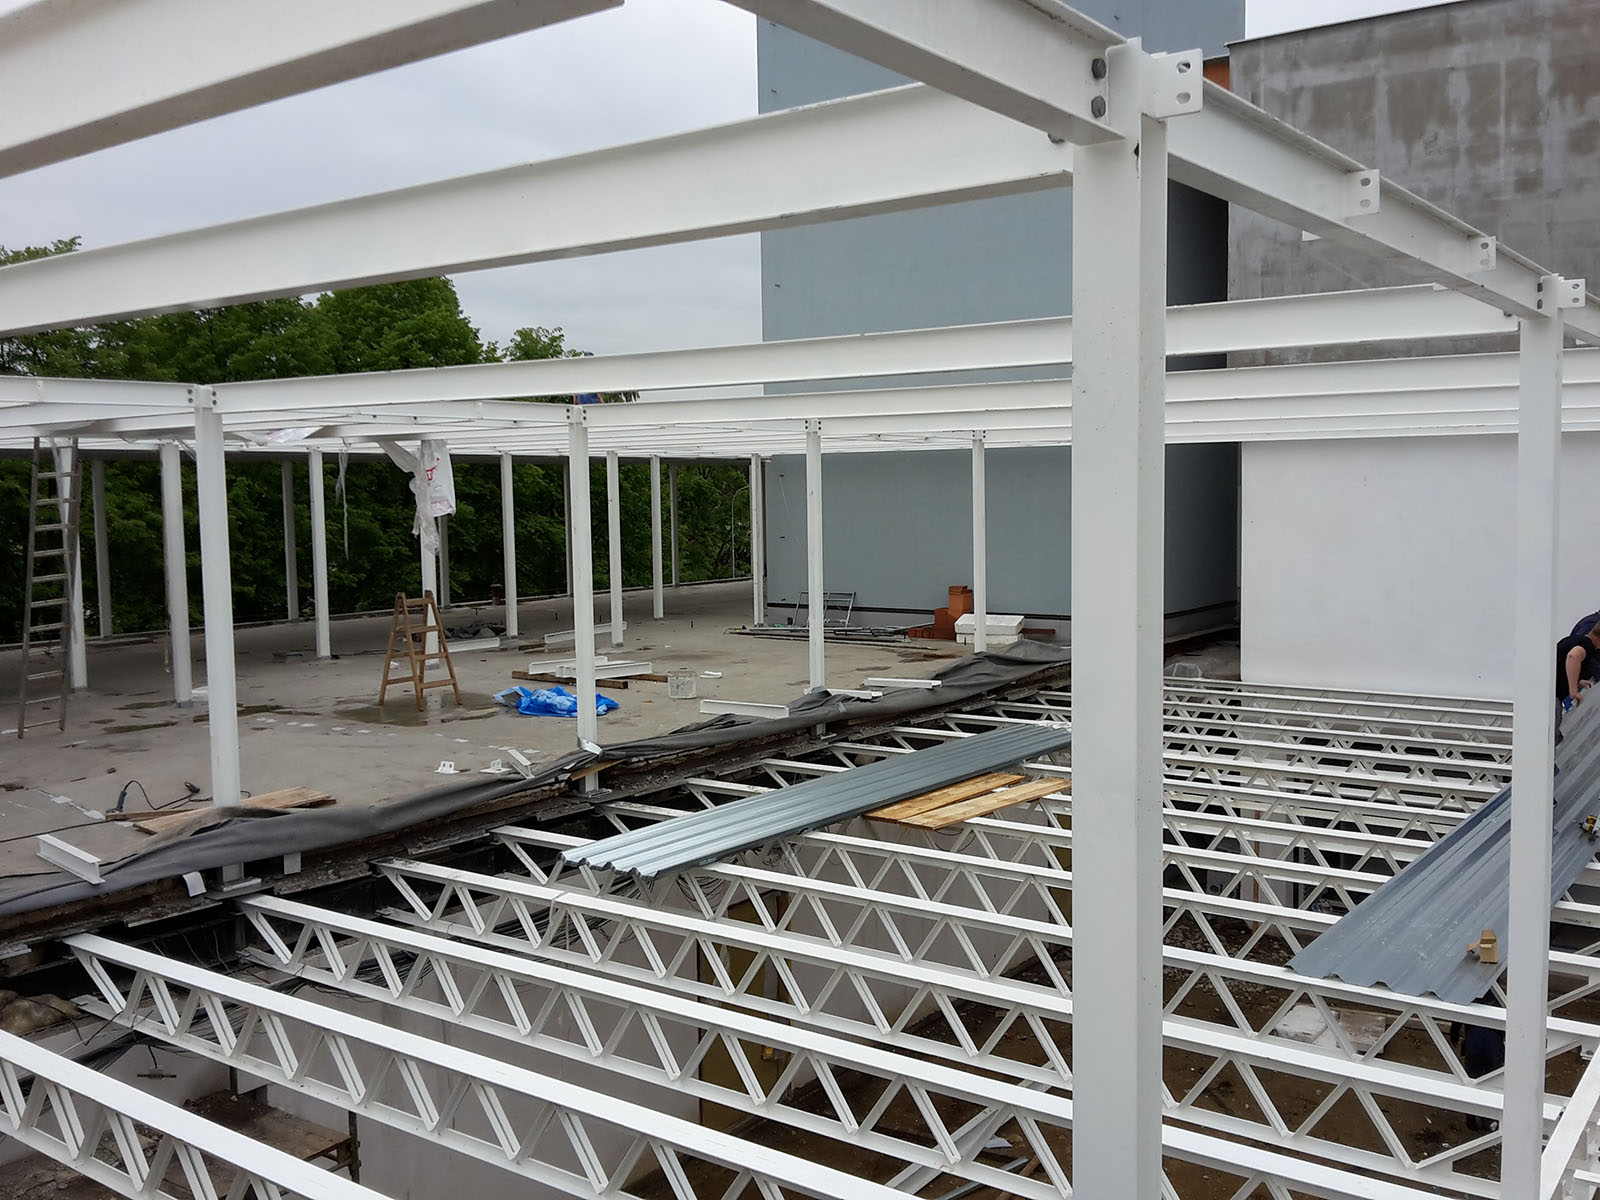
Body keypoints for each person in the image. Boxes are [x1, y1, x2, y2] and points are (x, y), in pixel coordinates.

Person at [1556, 624, 1600, 744]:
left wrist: (1577, 681)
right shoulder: (1587, 645)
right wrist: (1573, 690)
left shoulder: (1574, 639)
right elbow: (1573, 656)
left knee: (1555, 737)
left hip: (1546, 695)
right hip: (1552, 697)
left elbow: (1561, 665)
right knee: (1551, 737)